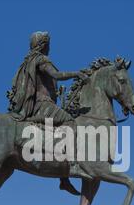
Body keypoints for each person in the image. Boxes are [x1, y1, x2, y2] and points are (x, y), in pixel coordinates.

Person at [7, 31, 91, 195]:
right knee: (70, 122)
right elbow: (57, 75)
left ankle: (63, 178)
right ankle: (72, 166)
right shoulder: (41, 59)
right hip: (41, 105)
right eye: (48, 44)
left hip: (34, 105)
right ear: (43, 45)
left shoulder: (27, 62)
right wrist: (77, 74)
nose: (50, 47)